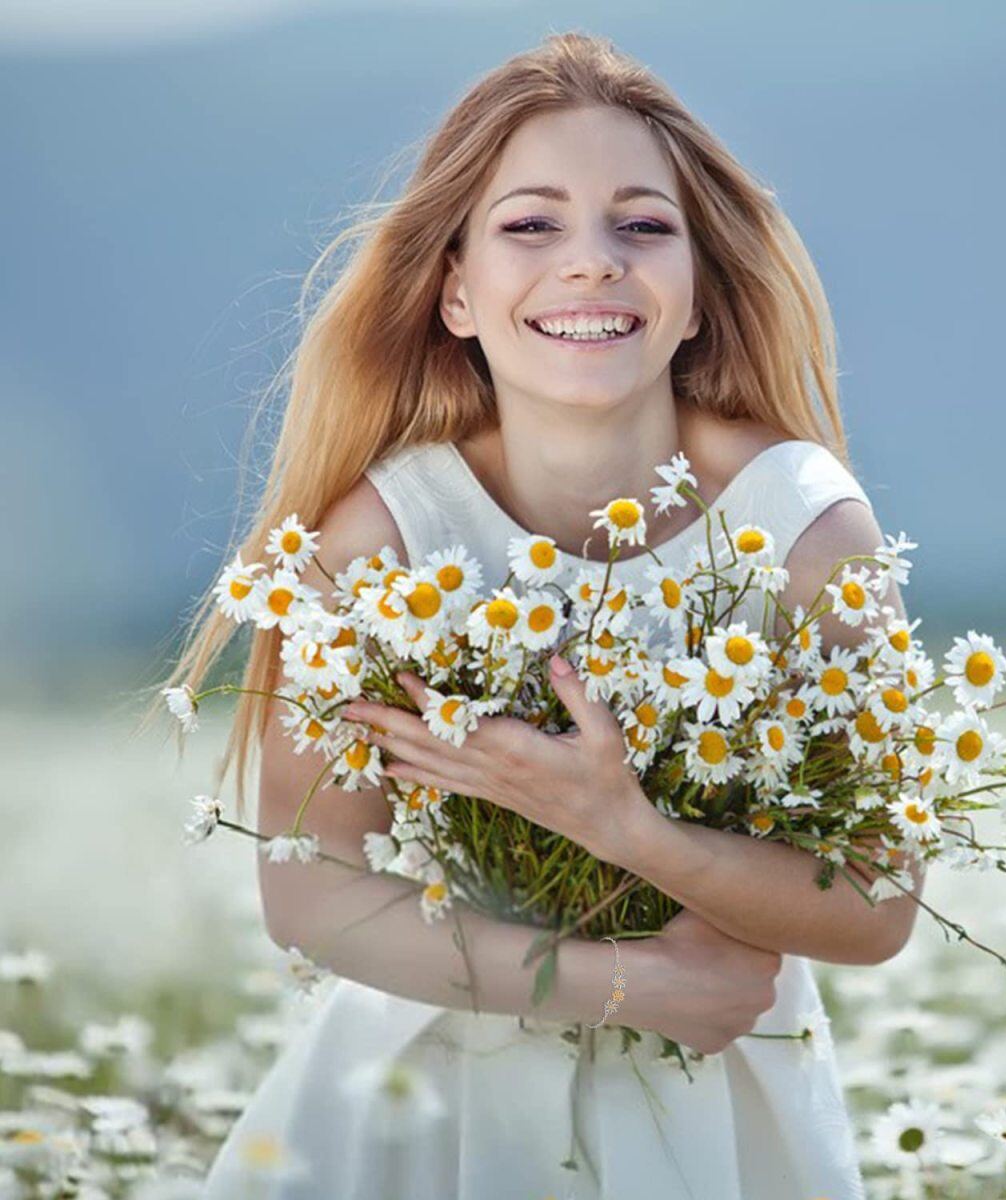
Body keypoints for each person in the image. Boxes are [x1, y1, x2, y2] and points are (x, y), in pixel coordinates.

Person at [159, 30, 924, 1199]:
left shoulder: (807, 528)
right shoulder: (373, 546)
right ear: (456, 291)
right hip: (423, 1108)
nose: (592, 263)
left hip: (717, 1110)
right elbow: (311, 893)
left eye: (643, 224)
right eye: (531, 225)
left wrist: (627, 827)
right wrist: (632, 986)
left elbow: (879, 905)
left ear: (699, 295)